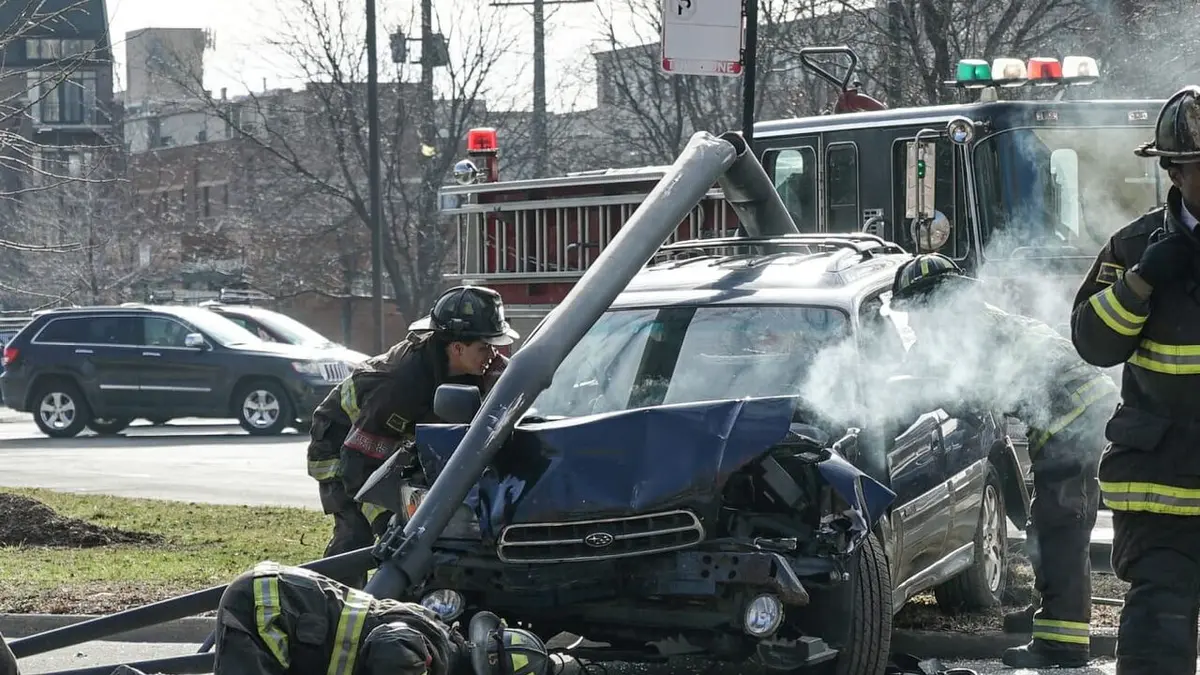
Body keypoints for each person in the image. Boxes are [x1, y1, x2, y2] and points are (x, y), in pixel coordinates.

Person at [890, 252, 1118, 669]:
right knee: (1046, 522)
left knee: (1060, 529)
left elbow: (969, 397)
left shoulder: (969, 330)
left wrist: (918, 400)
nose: (913, 323)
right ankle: (1048, 619)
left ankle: (1064, 644)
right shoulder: (968, 324)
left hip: (1074, 417)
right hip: (1066, 416)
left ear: (936, 302)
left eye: (916, 312)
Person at [1069, 85, 1200, 675]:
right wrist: (1142, 283)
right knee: (1157, 645)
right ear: (1173, 169)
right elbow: (1093, 342)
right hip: (1162, 495)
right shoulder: (1135, 246)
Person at [306, 286, 515, 588]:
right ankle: (334, 606)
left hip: (392, 446)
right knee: (358, 535)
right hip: (341, 448)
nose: (493, 355)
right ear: (457, 347)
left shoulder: (475, 366)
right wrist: (384, 521)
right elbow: (358, 465)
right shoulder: (403, 385)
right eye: (485, 347)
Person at [209, 561, 548, 675]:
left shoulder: (440, 639)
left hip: (278, 597)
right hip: (267, 607)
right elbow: (390, 646)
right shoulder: (421, 654)